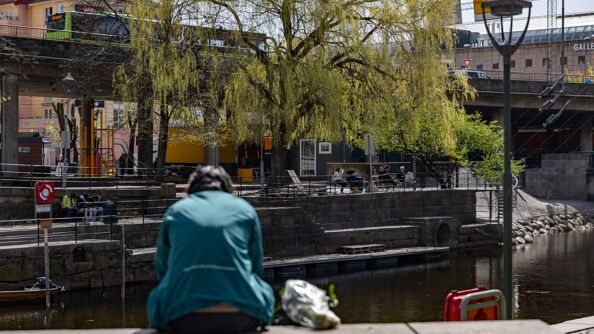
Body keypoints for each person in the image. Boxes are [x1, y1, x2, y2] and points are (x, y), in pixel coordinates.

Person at [147, 166, 274, 333]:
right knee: (266, 291)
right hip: (241, 313)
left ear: (192, 188)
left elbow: (162, 266)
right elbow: (256, 266)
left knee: (157, 296)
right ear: (227, 187)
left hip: (181, 315)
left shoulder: (176, 211)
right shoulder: (245, 210)